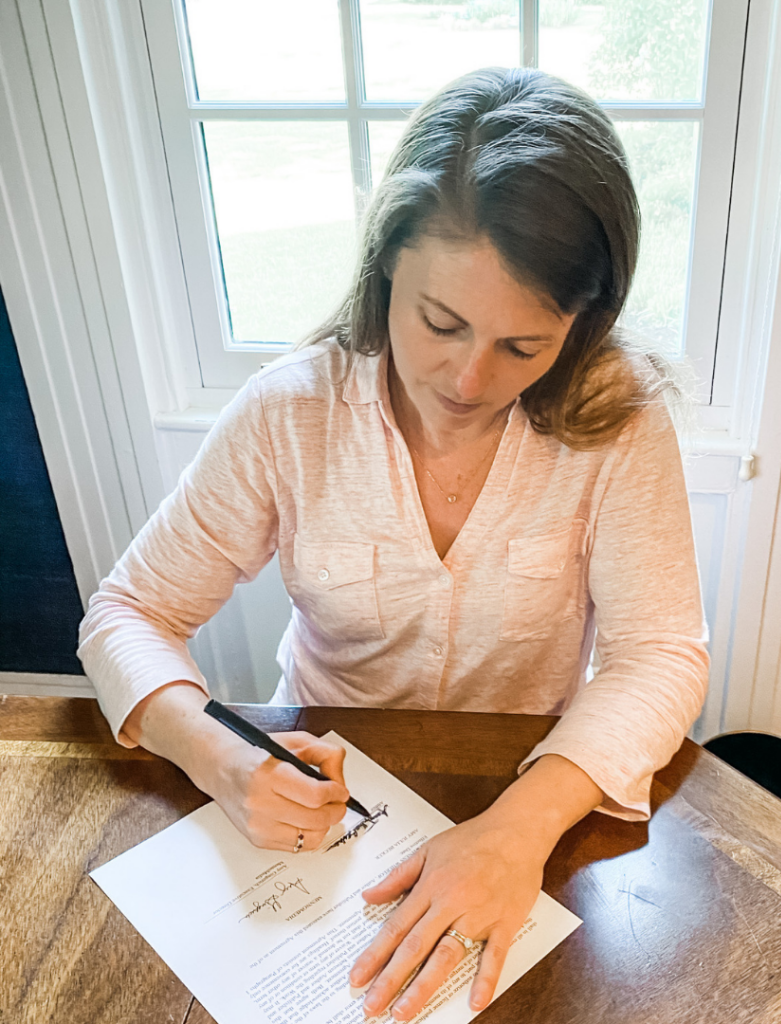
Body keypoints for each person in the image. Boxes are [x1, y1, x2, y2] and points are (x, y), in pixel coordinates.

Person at [78, 66, 708, 1020]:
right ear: (386, 269)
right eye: (440, 322)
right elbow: (129, 613)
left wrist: (517, 831)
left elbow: (660, 656)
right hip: (318, 804)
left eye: (523, 347)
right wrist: (216, 753)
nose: (465, 377)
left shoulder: (618, 423)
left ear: (584, 325)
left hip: (533, 790)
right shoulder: (290, 413)